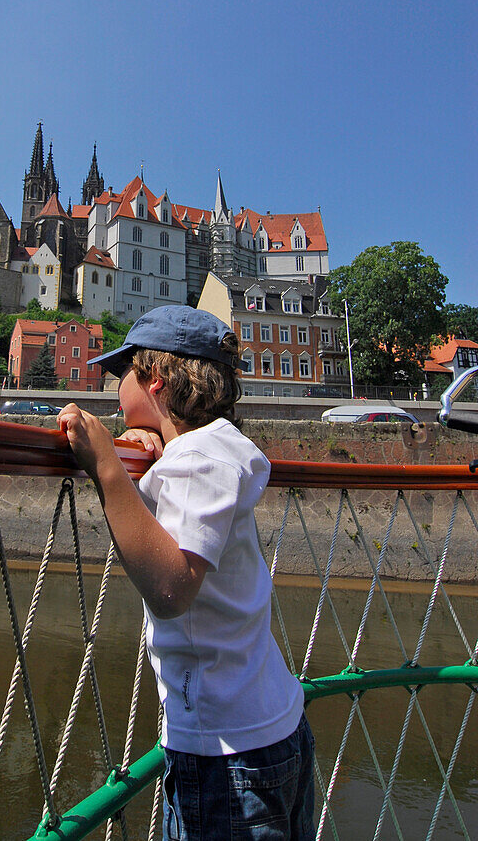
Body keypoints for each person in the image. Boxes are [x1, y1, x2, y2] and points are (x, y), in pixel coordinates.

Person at [58, 305, 315, 841]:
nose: (113, 389)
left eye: (119, 374)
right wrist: (145, 440)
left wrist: (108, 465)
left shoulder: (200, 459)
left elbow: (172, 588)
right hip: (265, 730)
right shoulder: (205, 450)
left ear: (154, 378)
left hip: (229, 754)